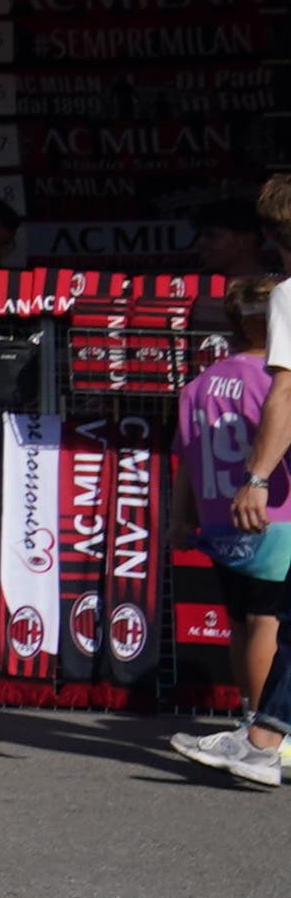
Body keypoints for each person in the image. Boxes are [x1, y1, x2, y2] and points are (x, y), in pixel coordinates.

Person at [168, 290, 290, 789]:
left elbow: (184, 457)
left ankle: (250, 715)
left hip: (218, 516)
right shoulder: (274, 380)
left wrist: (181, 517)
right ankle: (271, 736)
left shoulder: (198, 384)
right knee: (270, 621)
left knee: (240, 621)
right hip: (273, 514)